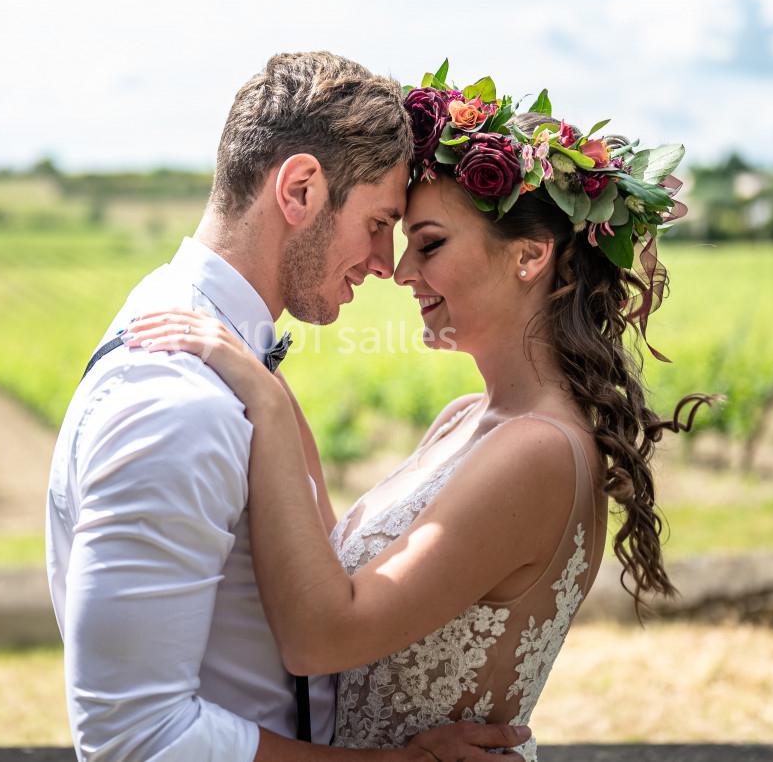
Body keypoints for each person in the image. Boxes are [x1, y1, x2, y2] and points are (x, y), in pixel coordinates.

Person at [122, 62, 719, 761]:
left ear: (529, 256)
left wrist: (265, 404)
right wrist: (269, 383)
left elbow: (320, 638)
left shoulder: (540, 452)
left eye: (429, 244)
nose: (402, 273)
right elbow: (331, 563)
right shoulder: (465, 420)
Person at [45, 52, 533, 762]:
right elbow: (135, 742)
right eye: (377, 222)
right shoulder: (175, 402)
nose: (384, 263)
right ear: (301, 189)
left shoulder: (225, 359)